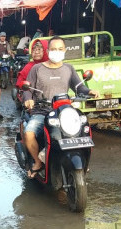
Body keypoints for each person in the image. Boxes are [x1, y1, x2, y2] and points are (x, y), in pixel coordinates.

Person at [23, 36, 99, 178]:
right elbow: (27, 89)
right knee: (29, 133)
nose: (56, 52)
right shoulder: (37, 68)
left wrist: (89, 91)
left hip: (64, 112)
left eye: (59, 49)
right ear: (48, 50)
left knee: (84, 129)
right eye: (53, 49)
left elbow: (79, 87)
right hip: (42, 111)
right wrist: (28, 100)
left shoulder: (68, 68)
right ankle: (38, 162)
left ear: (64, 50)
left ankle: (81, 160)